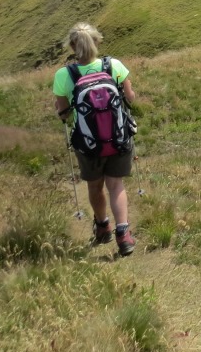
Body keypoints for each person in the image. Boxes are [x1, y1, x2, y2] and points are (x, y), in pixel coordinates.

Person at [53, 22, 138, 257]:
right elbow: (130, 98)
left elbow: (63, 113)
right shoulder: (114, 66)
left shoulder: (63, 75)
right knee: (116, 185)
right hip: (118, 138)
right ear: (97, 41)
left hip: (87, 143)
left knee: (95, 185)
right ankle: (124, 235)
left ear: (72, 46)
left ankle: (103, 227)